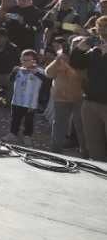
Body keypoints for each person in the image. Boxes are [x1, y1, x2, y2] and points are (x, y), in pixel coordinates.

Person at [70, 17, 107, 160]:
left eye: (106, 26)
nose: (103, 29)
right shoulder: (94, 50)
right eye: (100, 26)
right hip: (90, 102)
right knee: (93, 144)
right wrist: (80, 48)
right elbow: (76, 64)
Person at [43, 40, 85, 154]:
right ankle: (55, 152)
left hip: (80, 98)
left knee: (81, 125)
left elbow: (82, 77)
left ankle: (85, 153)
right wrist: (57, 60)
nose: (75, 47)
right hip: (61, 97)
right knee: (59, 125)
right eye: (73, 45)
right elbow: (48, 73)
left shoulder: (87, 59)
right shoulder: (61, 59)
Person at [4, 49, 46, 144]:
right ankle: (12, 133)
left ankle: (27, 136)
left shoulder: (39, 71)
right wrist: (13, 72)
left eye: (28, 60)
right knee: (15, 118)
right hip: (17, 100)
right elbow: (10, 80)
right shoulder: (18, 70)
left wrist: (35, 73)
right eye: (23, 60)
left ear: (34, 61)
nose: (25, 62)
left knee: (29, 120)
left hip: (30, 102)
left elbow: (46, 81)